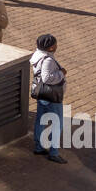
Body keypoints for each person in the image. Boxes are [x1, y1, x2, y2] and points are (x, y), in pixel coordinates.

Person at [30, 34, 67, 163]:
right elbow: (47, 78)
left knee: (41, 120)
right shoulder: (48, 60)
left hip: (42, 94)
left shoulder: (36, 55)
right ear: (50, 48)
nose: (57, 46)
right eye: (55, 44)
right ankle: (54, 152)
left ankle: (39, 147)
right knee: (57, 123)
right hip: (51, 96)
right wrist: (61, 73)